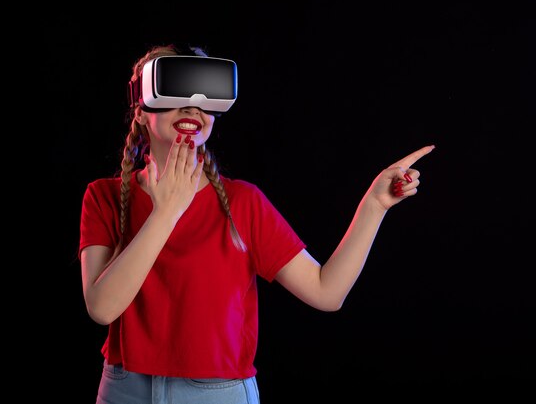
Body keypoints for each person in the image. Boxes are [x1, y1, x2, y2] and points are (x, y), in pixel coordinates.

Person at [78, 43, 435, 404]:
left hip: (219, 395)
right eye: (175, 89)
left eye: (206, 95)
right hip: (125, 390)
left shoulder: (242, 203)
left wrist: (374, 205)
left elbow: (327, 292)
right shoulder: (104, 196)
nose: (192, 106)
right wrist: (166, 211)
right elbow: (102, 307)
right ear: (140, 111)